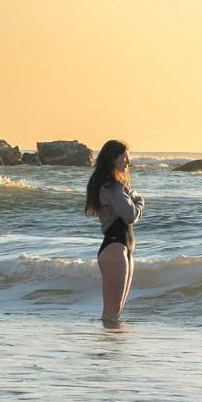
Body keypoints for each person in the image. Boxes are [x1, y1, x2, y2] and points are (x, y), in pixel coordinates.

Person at [85, 139, 144, 326]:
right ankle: (108, 350)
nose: (128, 163)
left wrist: (130, 195)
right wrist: (139, 200)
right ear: (114, 159)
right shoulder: (111, 185)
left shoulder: (116, 185)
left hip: (122, 248)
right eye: (125, 158)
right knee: (111, 312)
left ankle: (114, 349)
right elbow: (129, 215)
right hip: (114, 247)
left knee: (116, 311)